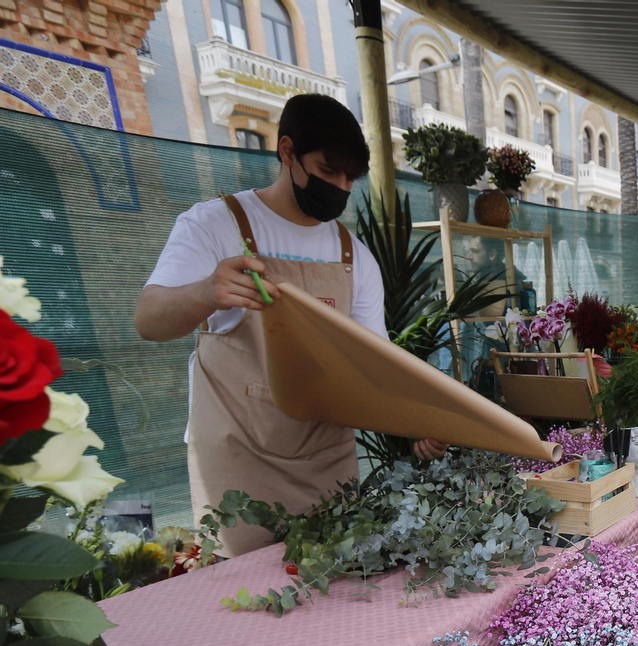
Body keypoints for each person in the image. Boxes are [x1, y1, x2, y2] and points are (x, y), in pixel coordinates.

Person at [134, 93, 441, 555]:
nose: (338, 186)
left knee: (338, 581)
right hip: (237, 456)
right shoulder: (215, 224)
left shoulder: (352, 253)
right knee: (247, 600)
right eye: (326, 170)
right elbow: (148, 319)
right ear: (286, 152)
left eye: (348, 178)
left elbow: (372, 361)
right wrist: (205, 292)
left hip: (325, 458)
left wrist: (416, 420)